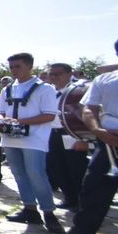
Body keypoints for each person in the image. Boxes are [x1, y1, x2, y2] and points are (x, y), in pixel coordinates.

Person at [52, 33, 118, 234]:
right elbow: (89, 108)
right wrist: (97, 130)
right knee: (94, 187)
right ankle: (83, 232)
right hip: (107, 141)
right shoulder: (105, 80)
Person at [0, 52, 64, 234]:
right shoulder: (7, 89)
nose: (14, 70)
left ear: (30, 66)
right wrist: (2, 119)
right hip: (10, 137)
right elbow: (2, 112)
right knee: (18, 173)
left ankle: (49, 212)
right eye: (11, 67)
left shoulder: (45, 88)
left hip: (34, 139)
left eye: (18, 66)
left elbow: (49, 114)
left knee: (36, 173)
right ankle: (29, 208)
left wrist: (21, 122)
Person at [45, 63, 89, 211]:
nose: (54, 77)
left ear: (70, 74)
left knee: (75, 168)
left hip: (71, 132)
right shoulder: (48, 90)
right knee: (56, 166)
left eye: (58, 74)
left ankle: (81, 200)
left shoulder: (78, 91)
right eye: (52, 74)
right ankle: (69, 198)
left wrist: (83, 137)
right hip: (52, 132)